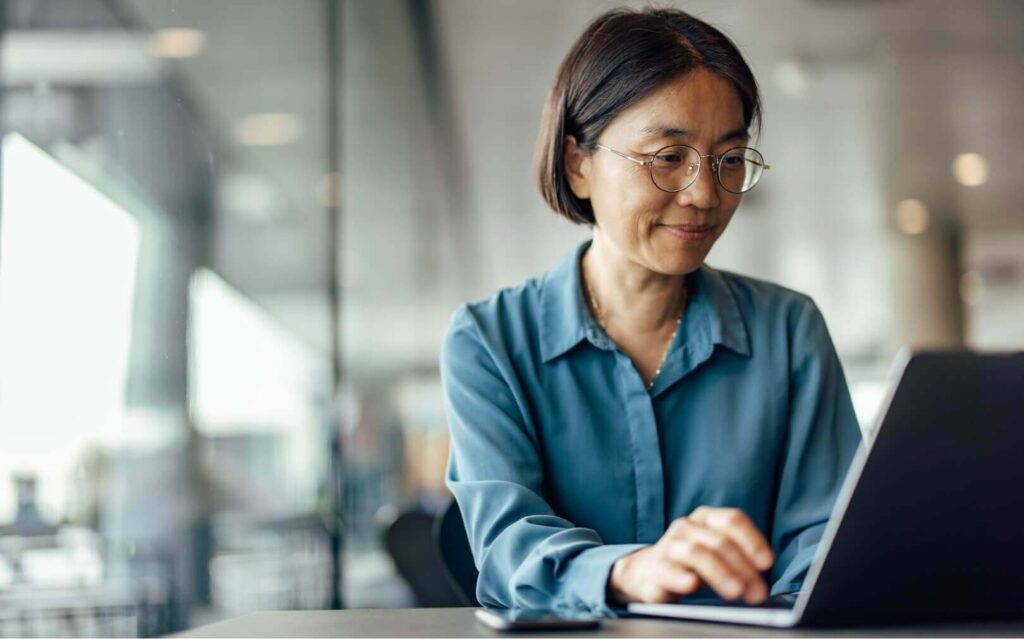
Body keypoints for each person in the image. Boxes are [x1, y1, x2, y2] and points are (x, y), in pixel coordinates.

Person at [440, 7, 862, 616]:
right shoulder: (489, 340)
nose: (704, 195)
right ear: (576, 164)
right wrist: (631, 570)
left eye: (728, 159)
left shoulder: (788, 331)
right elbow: (508, 547)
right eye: (668, 157)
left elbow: (825, 542)